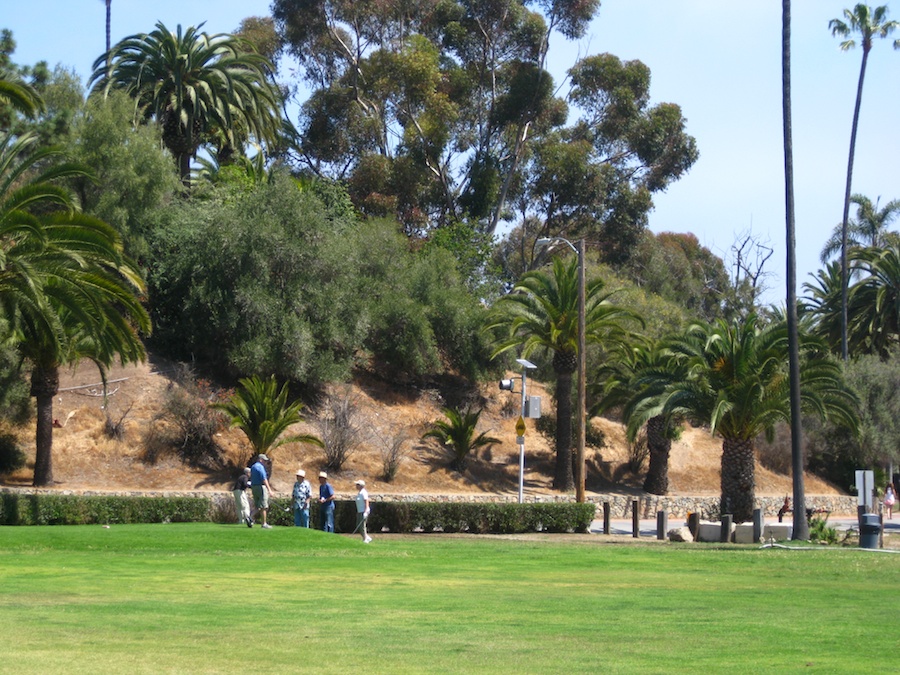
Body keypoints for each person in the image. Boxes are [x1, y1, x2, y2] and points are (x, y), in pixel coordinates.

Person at [250, 453, 276, 529]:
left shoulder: (253, 467)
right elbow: (264, 479)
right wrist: (270, 490)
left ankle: (250, 516)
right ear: (260, 460)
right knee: (264, 507)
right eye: (264, 461)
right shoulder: (260, 467)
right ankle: (264, 524)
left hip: (254, 487)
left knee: (258, 506)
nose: (265, 463)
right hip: (260, 487)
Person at [355, 479, 372, 543]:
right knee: (358, 525)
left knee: (362, 526)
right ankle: (367, 537)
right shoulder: (360, 492)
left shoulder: (364, 492)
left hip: (363, 511)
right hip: (359, 511)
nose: (356, 486)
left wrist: (366, 510)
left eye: (357, 485)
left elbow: (366, 501)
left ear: (360, 486)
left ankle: (365, 539)